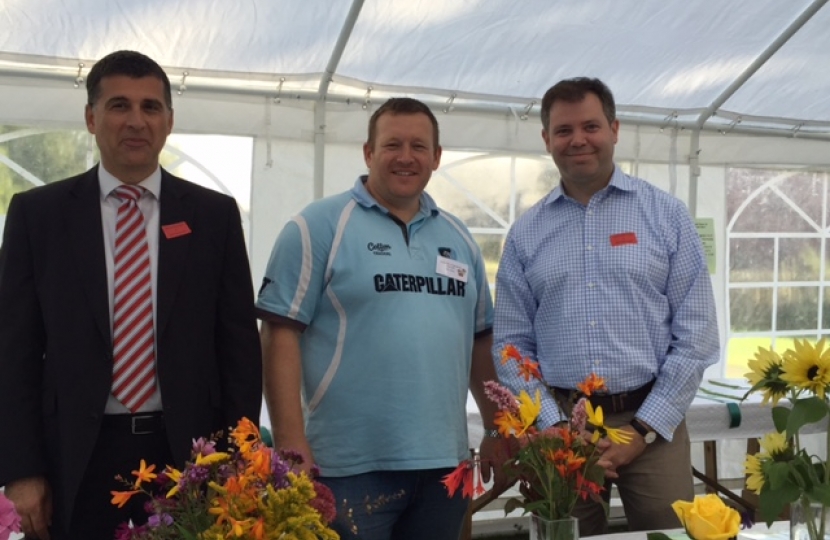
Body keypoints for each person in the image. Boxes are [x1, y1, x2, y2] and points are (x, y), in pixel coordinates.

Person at [0, 50, 262, 540]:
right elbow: (13, 352)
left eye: (151, 107)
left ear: (168, 121)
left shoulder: (213, 217)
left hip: (189, 456)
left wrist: (240, 465)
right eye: (120, 106)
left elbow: (239, 354)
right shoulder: (39, 215)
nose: (136, 121)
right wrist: (21, 470)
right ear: (91, 118)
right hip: (73, 458)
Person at [257, 97, 504, 540]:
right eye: (392, 144)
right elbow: (279, 335)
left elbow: (479, 341)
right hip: (346, 468)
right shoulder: (317, 227)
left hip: (443, 468)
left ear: (436, 157)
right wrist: (292, 445)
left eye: (418, 146)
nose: (406, 157)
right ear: (368, 152)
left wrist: (496, 428)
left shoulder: (458, 237)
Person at [493, 77, 719, 535]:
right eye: (563, 130)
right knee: (563, 535)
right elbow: (511, 345)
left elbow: (696, 336)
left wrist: (643, 430)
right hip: (557, 430)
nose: (578, 139)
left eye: (591, 126)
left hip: (652, 426)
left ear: (615, 129)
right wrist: (556, 427)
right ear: (546, 140)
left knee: (669, 535)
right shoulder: (526, 233)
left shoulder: (666, 216)